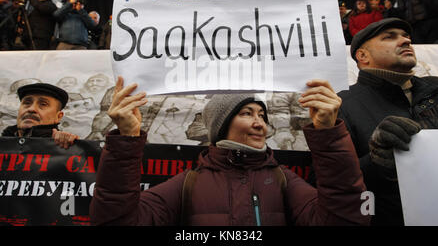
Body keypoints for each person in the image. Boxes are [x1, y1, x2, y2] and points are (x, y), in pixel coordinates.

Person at [90, 76, 369, 226]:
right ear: (221, 127)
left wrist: (329, 135)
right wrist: (126, 139)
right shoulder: (189, 183)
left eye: (262, 115)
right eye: (247, 113)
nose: (259, 123)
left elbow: (345, 219)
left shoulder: (283, 180)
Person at [338, 17, 438, 225]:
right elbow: (334, 182)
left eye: (406, 36)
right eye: (389, 37)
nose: (405, 41)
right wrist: (377, 161)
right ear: (362, 56)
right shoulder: (342, 105)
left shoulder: (435, 88)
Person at [1, 82, 80, 149]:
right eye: (27, 103)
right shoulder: (3, 146)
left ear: (58, 117)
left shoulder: (65, 149)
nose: (31, 109)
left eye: (43, 104)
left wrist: (71, 146)